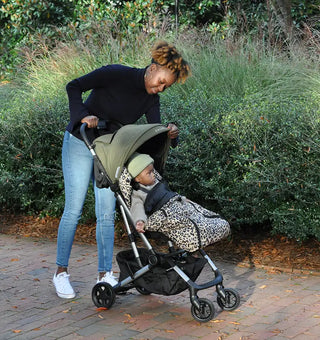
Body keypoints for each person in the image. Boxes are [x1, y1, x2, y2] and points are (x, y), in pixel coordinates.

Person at [53, 41, 190, 299]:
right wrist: (82, 114)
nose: (160, 88)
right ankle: (61, 272)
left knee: (106, 212)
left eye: (165, 87)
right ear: (151, 69)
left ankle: (104, 274)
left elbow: (153, 132)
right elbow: (74, 86)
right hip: (80, 142)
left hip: (109, 152)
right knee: (74, 209)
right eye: (160, 81)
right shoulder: (116, 73)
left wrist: (170, 133)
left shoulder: (151, 100)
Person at [126, 153, 231, 253]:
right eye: (149, 173)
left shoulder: (157, 183)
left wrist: (183, 199)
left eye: (153, 171)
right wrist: (140, 221)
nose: (153, 175)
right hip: (165, 213)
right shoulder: (138, 194)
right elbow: (137, 208)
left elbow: (170, 194)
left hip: (176, 204)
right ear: (138, 178)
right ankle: (199, 235)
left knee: (195, 212)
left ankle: (211, 224)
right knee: (183, 221)